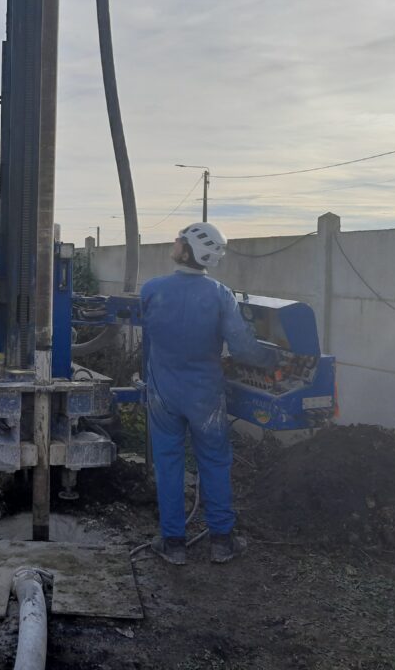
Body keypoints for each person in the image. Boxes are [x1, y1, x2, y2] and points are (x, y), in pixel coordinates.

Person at [140, 222, 277, 565]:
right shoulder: (220, 294)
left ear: (187, 251)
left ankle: (173, 544)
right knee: (215, 464)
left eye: (179, 240)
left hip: (163, 395)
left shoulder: (152, 290)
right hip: (205, 397)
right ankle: (221, 542)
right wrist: (274, 359)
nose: (174, 243)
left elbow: (149, 335)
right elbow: (244, 348)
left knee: (169, 466)